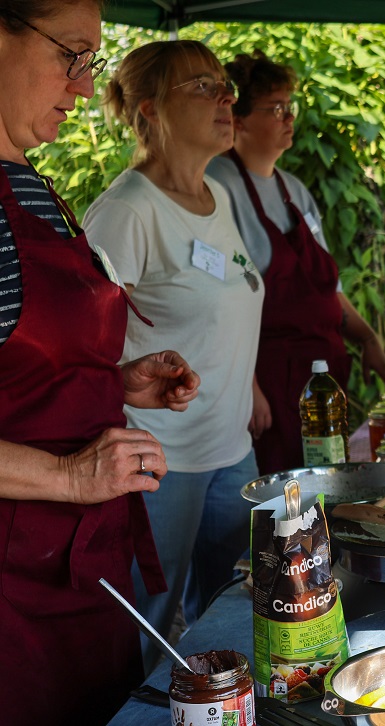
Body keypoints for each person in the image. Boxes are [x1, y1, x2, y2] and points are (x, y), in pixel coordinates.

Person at [0, 2, 201, 723]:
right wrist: (67, 474)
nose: (86, 89)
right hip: (15, 600)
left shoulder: (32, 186)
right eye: (71, 54)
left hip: (86, 575)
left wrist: (106, 384)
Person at [84, 40, 264, 673]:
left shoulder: (217, 192)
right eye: (201, 86)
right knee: (149, 635)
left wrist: (251, 387)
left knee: (236, 620)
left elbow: (227, 299)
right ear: (150, 111)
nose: (226, 98)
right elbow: (86, 345)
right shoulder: (128, 211)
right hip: (162, 460)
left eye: (224, 85)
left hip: (230, 449)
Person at [206, 50, 385, 476]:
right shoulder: (218, 185)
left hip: (322, 381)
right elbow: (222, 301)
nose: (289, 118)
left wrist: (365, 338)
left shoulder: (295, 190)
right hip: (270, 383)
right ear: (238, 119)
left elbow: (330, 289)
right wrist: (247, 387)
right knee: (285, 509)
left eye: (290, 107)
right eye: (276, 109)